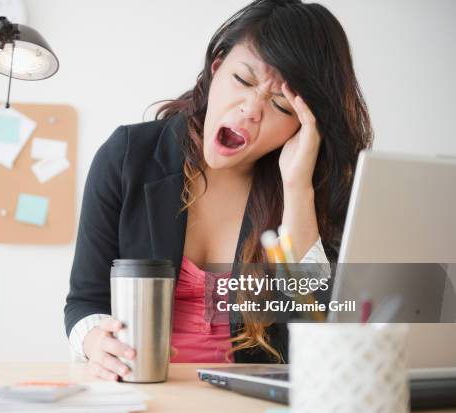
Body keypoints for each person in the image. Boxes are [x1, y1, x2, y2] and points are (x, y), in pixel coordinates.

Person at [64, 0, 372, 381]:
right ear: (217, 67)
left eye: (280, 105)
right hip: (142, 390)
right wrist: (95, 340)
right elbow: (84, 302)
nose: (250, 110)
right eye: (242, 80)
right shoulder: (127, 157)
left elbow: (315, 336)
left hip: (252, 404)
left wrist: (297, 190)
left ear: (304, 126)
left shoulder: (314, 190)